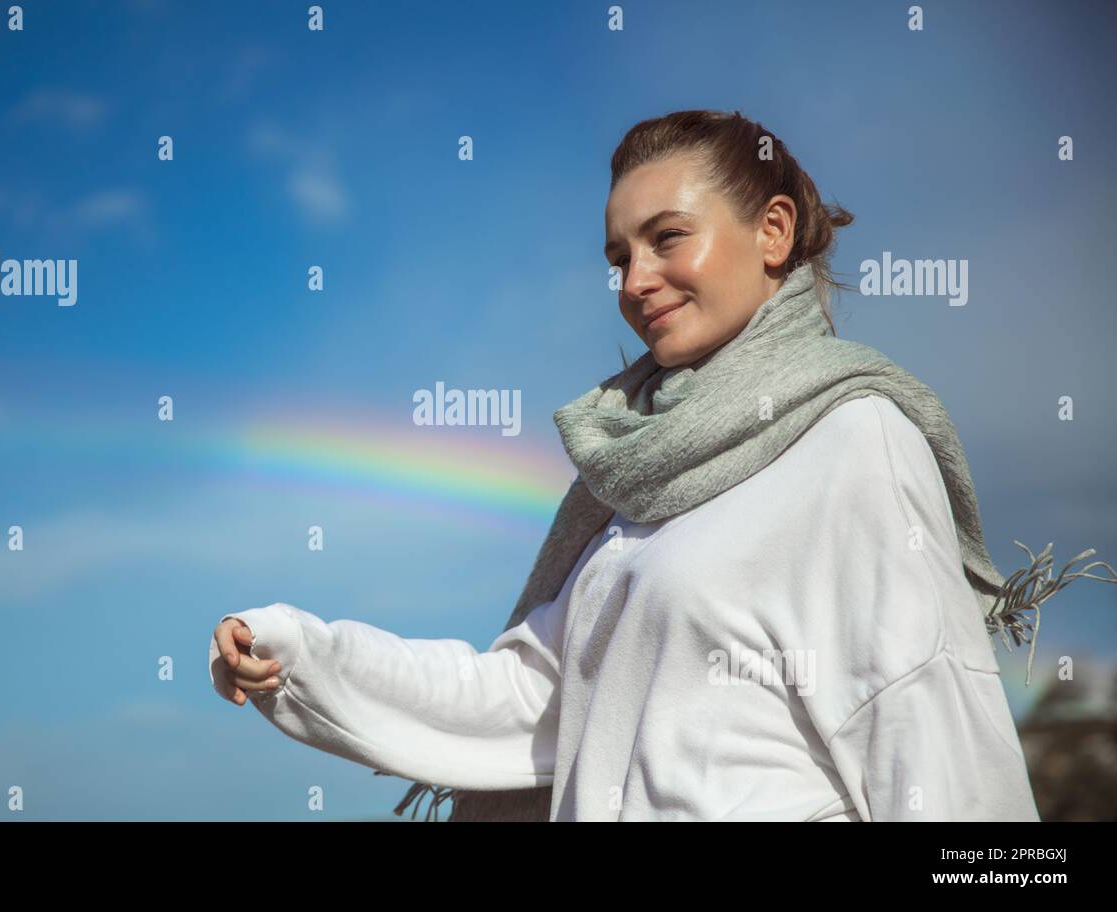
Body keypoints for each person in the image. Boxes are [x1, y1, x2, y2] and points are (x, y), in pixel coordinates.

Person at [209, 110, 1044, 822]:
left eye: (667, 238)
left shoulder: (854, 436)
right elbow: (528, 699)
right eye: (618, 257)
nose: (636, 279)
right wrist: (300, 654)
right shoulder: (632, 478)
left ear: (774, 231)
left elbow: (927, 723)